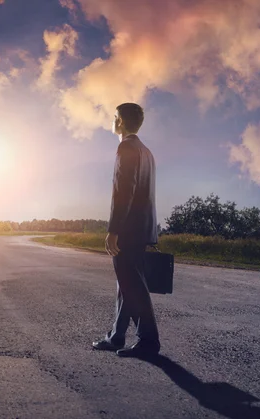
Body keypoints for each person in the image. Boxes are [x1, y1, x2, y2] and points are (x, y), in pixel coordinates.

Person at [92, 102, 161, 358]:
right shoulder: (147, 151)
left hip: (129, 230)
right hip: (142, 229)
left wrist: (114, 230)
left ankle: (148, 341)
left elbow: (125, 191)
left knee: (133, 286)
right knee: (127, 284)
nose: (112, 121)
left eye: (113, 116)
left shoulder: (126, 147)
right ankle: (117, 336)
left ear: (120, 120)